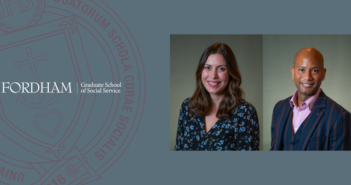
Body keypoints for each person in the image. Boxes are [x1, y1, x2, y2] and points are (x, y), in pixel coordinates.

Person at [174, 43, 259, 151]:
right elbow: (178, 149)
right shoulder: (187, 107)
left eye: (221, 69)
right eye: (207, 67)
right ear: (201, 71)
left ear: (231, 73)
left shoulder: (244, 112)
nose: (213, 75)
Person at [270, 47, 351, 150]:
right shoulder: (279, 108)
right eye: (301, 70)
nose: (307, 77)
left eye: (315, 70)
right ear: (293, 72)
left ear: (323, 73)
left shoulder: (339, 117)